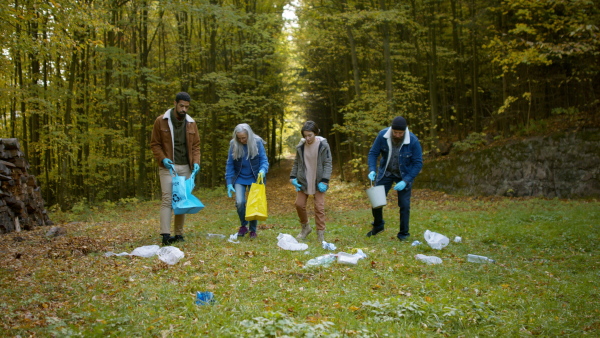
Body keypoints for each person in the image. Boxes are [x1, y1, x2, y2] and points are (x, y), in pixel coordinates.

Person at [150, 92, 201, 245]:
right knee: (167, 199)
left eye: (187, 107)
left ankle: (179, 234)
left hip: (186, 166)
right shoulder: (161, 121)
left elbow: (196, 145)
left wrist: (196, 162)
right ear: (175, 103)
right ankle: (166, 235)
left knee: (182, 200)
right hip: (168, 167)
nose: (184, 109)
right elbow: (155, 144)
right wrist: (163, 159)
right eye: (181, 106)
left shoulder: (191, 123)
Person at [366, 116, 423, 240]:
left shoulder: (412, 140)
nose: (397, 135)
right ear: (391, 129)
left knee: (404, 205)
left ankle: (403, 233)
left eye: (400, 133)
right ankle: (378, 225)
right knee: (376, 201)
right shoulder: (382, 136)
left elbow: (418, 163)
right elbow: (373, 153)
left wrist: (406, 181)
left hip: (404, 175)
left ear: (405, 131)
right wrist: (372, 169)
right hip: (385, 173)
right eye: (395, 132)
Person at [290, 121, 332, 243]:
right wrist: (293, 178)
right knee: (299, 204)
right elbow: (296, 163)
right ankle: (305, 228)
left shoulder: (323, 145)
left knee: (319, 207)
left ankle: (320, 234)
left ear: (316, 133)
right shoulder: (301, 146)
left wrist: (325, 181)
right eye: (305, 135)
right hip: (304, 179)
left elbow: (328, 163)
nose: (307, 138)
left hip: (319, 180)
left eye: (310, 135)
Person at [225, 123, 269, 238]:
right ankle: (244, 225)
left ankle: (253, 230)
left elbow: (264, 160)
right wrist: (229, 182)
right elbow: (229, 164)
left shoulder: (257, 142)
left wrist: (263, 170)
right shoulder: (233, 144)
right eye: (239, 138)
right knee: (240, 202)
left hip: (255, 177)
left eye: (244, 138)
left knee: (253, 204)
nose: (241, 140)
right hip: (239, 177)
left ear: (249, 135)